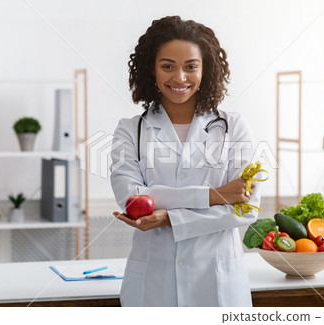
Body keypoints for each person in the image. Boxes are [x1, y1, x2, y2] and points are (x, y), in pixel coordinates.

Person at [111, 16, 261, 307]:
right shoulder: (130, 130)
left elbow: (246, 209)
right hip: (153, 284)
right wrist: (216, 196)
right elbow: (132, 199)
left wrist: (171, 217)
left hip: (217, 283)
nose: (179, 77)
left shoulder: (234, 126)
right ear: (151, 70)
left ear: (205, 70)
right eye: (167, 66)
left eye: (190, 66)